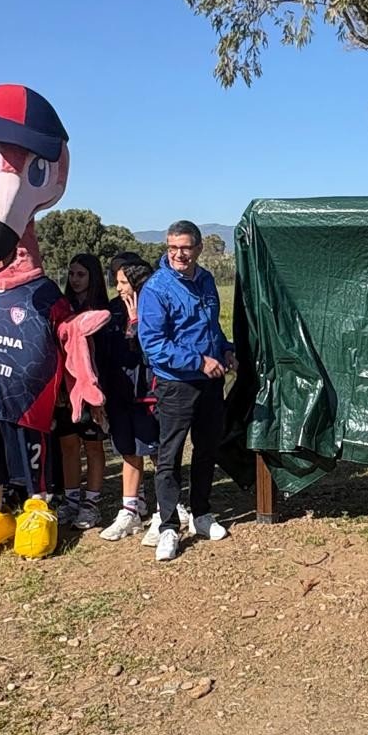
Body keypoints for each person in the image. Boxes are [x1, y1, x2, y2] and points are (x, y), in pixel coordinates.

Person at [137, 220, 234, 561]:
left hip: (210, 383)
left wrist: (224, 349)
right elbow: (154, 345)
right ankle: (166, 526)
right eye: (172, 247)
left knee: (207, 449)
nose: (179, 254)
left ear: (198, 248)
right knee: (170, 456)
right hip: (176, 384)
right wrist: (198, 361)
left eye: (185, 247)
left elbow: (210, 329)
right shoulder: (156, 289)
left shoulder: (206, 280)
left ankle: (202, 514)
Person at [98, 254, 161, 541]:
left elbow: (152, 353)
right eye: (117, 281)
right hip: (120, 394)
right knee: (128, 452)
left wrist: (137, 323)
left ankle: (168, 509)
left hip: (148, 392)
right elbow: (106, 354)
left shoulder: (155, 306)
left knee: (159, 453)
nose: (118, 287)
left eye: (123, 282)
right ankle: (130, 511)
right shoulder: (112, 310)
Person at [55, 253, 113, 531]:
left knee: (93, 446)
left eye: (81, 274)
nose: (75, 280)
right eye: (72, 274)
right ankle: (71, 499)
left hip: (92, 391)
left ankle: (91, 503)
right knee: (68, 445)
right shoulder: (60, 308)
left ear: (93, 277)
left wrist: (99, 391)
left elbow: (103, 356)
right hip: (65, 392)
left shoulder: (103, 309)